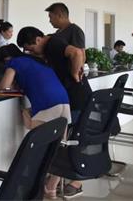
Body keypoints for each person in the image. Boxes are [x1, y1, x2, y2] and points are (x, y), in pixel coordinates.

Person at [18, 26, 90, 199]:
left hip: (76, 98)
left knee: (70, 141)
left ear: (38, 40)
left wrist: (74, 73)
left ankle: (73, 182)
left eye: (31, 49)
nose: (31, 53)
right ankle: (54, 182)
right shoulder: (50, 47)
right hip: (70, 99)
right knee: (64, 141)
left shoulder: (52, 44)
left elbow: (78, 53)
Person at [0, 44, 71, 129]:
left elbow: (3, 90)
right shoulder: (35, 60)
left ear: (6, 59)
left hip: (47, 103)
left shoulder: (14, 62)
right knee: (60, 138)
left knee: (36, 133)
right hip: (64, 100)